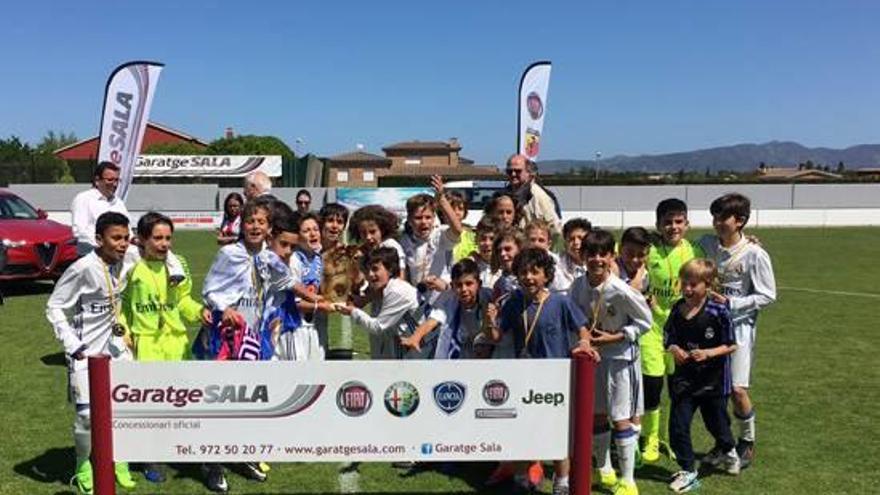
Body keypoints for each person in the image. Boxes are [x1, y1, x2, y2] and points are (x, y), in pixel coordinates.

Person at [197, 198, 291, 491]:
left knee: (247, 400)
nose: (254, 226)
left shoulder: (269, 257)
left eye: (261, 222)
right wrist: (223, 308)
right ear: (242, 224)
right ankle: (211, 464)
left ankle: (240, 453)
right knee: (219, 401)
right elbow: (209, 289)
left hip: (254, 338)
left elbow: (282, 283)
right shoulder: (229, 253)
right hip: (226, 338)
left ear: (269, 228)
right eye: (250, 221)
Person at [488, 247, 598, 495]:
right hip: (523, 377)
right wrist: (489, 320)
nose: (528, 277)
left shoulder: (560, 301)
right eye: (524, 272)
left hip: (555, 379)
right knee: (523, 429)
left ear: (546, 275)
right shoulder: (515, 301)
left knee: (557, 433)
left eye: (534, 272)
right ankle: (520, 478)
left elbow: (582, 327)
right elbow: (496, 336)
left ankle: (562, 481)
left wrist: (584, 342)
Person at [46, 211, 137, 494]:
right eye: (116, 238)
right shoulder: (83, 268)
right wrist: (73, 345)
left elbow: (162, 252)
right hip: (86, 353)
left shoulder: (131, 258)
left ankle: (118, 459)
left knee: (124, 410)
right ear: (99, 240)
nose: (123, 244)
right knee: (86, 416)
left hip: (118, 349)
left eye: (126, 237)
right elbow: (54, 306)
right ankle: (83, 463)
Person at [120, 212, 202, 483]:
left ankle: (176, 447)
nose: (164, 244)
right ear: (142, 240)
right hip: (146, 344)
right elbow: (120, 306)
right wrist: (123, 332)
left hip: (176, 342)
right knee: (149, 405)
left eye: (168, 238)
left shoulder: (180, 265)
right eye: (157, 238)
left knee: (181, 400)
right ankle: (149, 457)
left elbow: (183, 302)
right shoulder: (131, 269)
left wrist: (202, 312)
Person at [570, 229, 652, 495]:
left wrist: (615, 336)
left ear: (611, 256)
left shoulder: (620, 289)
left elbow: (645, 322)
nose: (596, 259)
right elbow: (574, 319)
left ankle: (628, 480)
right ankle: (604, 469)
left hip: (620, 359)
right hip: (592, 360)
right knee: (597, 415)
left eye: (602, 254)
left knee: (620, 418)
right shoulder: (577, 286)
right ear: (583, 256)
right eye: (591, 254)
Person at [698, 193, 776, 468]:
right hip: (709, 327)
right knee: (713, 391)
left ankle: (747, 442)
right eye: (715, 217)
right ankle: (723, 443)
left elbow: (768, 295)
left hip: (739, 329)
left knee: (737, 389)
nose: (717, 222)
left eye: (723, 218)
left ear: (740, 221)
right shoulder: (707, 244)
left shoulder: (755, 254)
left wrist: (733, 303)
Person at [666, 259, 740, 493]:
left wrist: (708, 353)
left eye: (693, 284)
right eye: (684, 283)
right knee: (678, 426)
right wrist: (674, 349)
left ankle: (728, 448)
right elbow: (668, 338)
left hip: (713, 380)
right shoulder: (677, 308)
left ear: (707, 285)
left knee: (716, 424)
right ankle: (688, 471)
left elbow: (731, 344)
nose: (687, 289)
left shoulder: (718, 311)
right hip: (684, 379)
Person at [641, 198, 704, 463]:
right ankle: (651, 439)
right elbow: (615, 253)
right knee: (653, 386)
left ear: (687, 224)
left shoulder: (696, 250)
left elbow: (722, 251)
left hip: (683, 330)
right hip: (652, 329)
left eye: (679, 222)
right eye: (667, 222)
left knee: (679, 389)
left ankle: (673, 438)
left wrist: (751, 240)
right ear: (658, 224)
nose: (673, 227)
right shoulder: (648, 248)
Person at [337, 247, 421, 359]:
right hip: (410, 347)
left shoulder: (397, 291)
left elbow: (377, 327)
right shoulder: (387, 288)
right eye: (368, 270)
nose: (370, 275)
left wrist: (353, 311)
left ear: (390, 270)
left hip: (423, 348)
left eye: (375, 269)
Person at [400, 258, 494, 359]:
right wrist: (415, 338)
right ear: (452, 286)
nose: (464, 289)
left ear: (479, 284)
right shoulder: (451, 303)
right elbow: (432, 321)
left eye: (469, 283)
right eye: (458, 285)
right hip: (461, 355)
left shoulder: (490, 297)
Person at [399, 176, 463, 305]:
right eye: (418, 218)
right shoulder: (405, 241)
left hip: (443, 298)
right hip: (418, 300)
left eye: (428, 217)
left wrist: (442, 199)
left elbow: (457, 230)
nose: (424, 222)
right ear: (410, 220)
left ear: (434, 218)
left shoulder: (439, 235)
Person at [70, 162, 130, 256]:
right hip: (91, 257)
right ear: (97, 180)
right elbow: (79, 232)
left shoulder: (119, 203)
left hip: (116, 259)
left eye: (117, 180)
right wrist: (106, 245)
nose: (115, 184)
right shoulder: (83, 199)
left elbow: (128, 229)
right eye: (110, 180)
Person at [504, 154, 562, 237]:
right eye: (509, 171)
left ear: (528, 173)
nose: (513, 174)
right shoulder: (501, 196)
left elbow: (555, 228)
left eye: (518, 171)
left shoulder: (540, 196)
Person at [348, 205, 406, 278]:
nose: (368, 237)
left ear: (382, 230)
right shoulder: (362, 252)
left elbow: (400, 277)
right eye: (363, 233)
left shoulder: (390, 246)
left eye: (373, 232)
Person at [556, 218, 591, 291]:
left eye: (581, 238)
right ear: (565, 242)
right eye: (571, 239)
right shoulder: (556, 264)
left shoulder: (598, 263)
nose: (576, 243)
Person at [617, 227, 652, 293]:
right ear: (620, 249)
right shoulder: (609, 273)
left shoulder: (646, 276)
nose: (634, 260)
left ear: (647, 254)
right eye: (630, 254)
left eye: (641, 255)